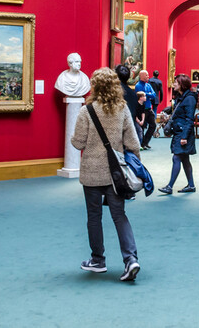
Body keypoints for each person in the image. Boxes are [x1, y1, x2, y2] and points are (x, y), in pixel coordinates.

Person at [70, 67, 141, 282]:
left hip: (92, 171)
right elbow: (133, 144)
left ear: (95, 86)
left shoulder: (87, 111)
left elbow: (78, 142)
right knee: (119, 216)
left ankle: (98, 259)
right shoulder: (123, 109)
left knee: (94, 216)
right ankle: (130, 259)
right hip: (116, 173)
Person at [159, 74, 198, 194]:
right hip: (180, 132)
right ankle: (191, 185)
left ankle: (169, 186)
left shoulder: (189, 99)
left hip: (183, 134)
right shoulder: (182, 97)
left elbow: (189, 119)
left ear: (181, 84)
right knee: (184, 159)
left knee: (176, 158)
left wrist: (184, 137)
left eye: (176, 82)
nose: (173, 84)